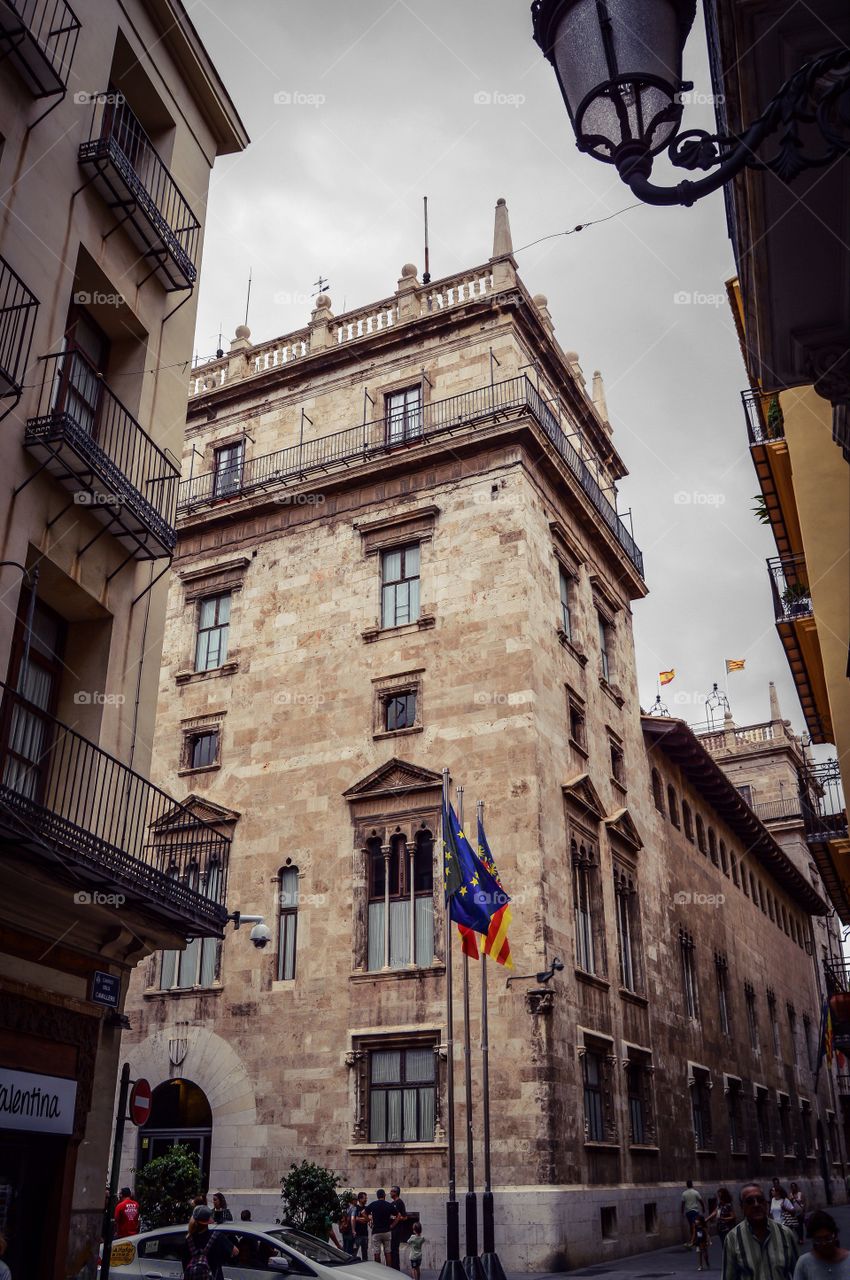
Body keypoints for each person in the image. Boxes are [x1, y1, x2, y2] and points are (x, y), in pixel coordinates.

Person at [721, 1183, 798, 1280]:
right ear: (742, 1207)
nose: (756, 1204)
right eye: (750, 1201)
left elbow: (798, 1273)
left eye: (760, 1200)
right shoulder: (732, 1238)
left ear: (766, 1204)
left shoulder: (785, 1234)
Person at [181, 1205, 237, 1280]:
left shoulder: (188, 1239)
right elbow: (235, 1252)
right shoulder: (218, 1237)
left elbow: (185, 1265)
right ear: (209, 1221)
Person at [793, 1210, 850, 1278]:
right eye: (818, 1240)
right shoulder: (804, 1263)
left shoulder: (848, 1260)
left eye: (828, 1238)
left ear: (835, 1235)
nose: (824, 1243)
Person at [367, 1188, 394, 1265]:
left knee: (377, 1252)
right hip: (387, 1231)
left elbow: (363, 1213)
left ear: (377, 1196)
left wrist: (369, 1221)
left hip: (376, 1231)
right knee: (388, 1252)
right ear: (384, 1195)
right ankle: (389, 1270)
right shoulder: (389, 1205)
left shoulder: (373, 1204)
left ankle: (379, 1270)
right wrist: (393, 1225)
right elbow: (398, 1215)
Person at [682, 1181, 705, 1250]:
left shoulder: (684, 1193)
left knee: (691, 1226)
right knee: (696, 1226)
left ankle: (693, 1240)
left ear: (687, 1185)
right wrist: (703, 1208)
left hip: (688, 1212)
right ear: (692, 1185)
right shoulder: (695, 1192)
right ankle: (697, 1240)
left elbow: (683, 1203)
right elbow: (701, 1200)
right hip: (695, 1211)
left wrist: (682, 1211)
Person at [389, 1186, 408, 1269]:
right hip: (391, 1230)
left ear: (395, 1193)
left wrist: (395, 1218)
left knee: (395, 1249)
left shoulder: (400, 1203)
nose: (390, 1193)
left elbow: (405, 1217)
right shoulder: (391, 1204)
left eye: (391, 1191)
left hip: (397, 1230)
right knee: (391, 1249)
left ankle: (396, 1267)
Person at [353, 1192, 370, 1261]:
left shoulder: (367, 1208)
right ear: (359, 1199)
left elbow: (369, 1219)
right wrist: (363, 1219)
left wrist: (358, 1219)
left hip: (365, 1234)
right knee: (354, 1253)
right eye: (364, 1198)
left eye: (366, 1198)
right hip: (357, 1234)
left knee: (365, 1255)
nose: (366, 1200)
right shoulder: (355, 1208)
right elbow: (354, 1218)